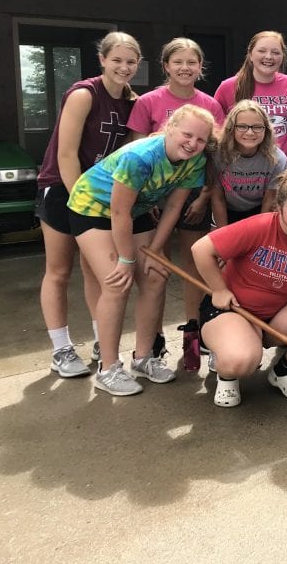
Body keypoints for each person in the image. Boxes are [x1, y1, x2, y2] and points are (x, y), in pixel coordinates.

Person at [68, 104, 214, 396]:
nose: (193, 143)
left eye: (200, 139)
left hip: (137, 211)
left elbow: (174, 206)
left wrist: (156, 250)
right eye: (187, 134)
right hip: (93, 208)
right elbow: (118, 213)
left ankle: (143, 357)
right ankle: (108, 368)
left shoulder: (195, 161)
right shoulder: (141, 157)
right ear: (169, 128)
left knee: (156, 275)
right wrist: (125, 259)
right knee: (117, 282)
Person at [36, 31, 139, 378]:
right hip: (64, 188)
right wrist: (78, 201)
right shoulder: (84, 94)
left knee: (97, 270)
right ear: (103, 60)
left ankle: (100, 339)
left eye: (130, 61)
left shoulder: (131, 102)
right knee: (59, 270)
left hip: (102, 196)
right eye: (117, 60)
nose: (123, 68)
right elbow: (66, 154)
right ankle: (61, 348)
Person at [191, 165, 287, 407]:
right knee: (240, 360)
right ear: (279, 209)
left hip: (276, 313)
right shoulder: (259, 226)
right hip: (232, 308)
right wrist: (219, 289)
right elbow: (201, 249)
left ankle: (282, 371)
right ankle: (226, 374)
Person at [127, 37, 226, 370]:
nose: (185, 68)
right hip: (151, 200)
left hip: (193, 196)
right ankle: (152, 340)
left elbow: (214, 158)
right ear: (165, 65)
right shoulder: (148, 102)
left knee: (193, 264)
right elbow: (136, 153)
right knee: (153, 268)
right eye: (178, 62)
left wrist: (204, 196)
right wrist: (145, 198)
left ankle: (193, 332)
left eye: (192, 62)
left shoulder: (210, 105)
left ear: (200, 67)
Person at [214, 30, 287, 162]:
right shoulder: (228, 87)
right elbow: (216, 131)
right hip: (242, 167)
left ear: (282, 57)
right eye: (262, 51)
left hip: (286, 167)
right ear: (250, 54)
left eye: (275, 52)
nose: (269, 57)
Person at [210, 100, 287, 226]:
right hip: (227, 209)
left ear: (266, 130)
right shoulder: (218, 154)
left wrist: (261, 235)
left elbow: (269, 200)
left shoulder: (277, 159)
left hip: (259, 210)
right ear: (232, 128)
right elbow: (217, 198)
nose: (250, 132)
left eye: (257, 127)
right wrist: (222, 233)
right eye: (242, 126)